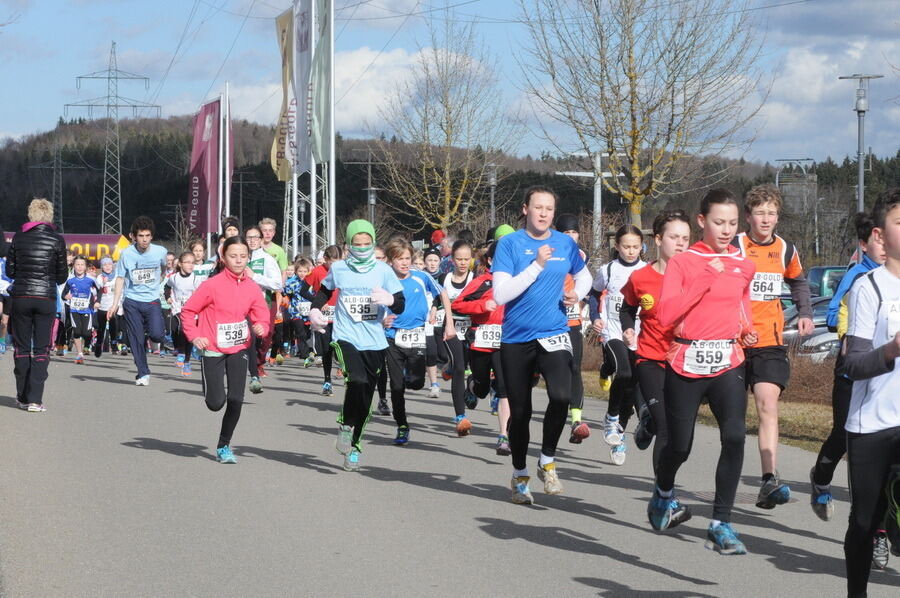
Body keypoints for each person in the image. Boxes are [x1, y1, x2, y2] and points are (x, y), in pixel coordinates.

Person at [646, 188, 757, 556]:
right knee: (680, 445)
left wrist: (746, 329)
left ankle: (720, 524)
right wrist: (703, 280)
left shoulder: (744, 264)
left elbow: (741, 307)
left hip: (727, 360)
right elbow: (665, 315)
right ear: (701, 221)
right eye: (718, 222)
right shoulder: (683, 263)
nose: (726, 230)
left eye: (732, 223)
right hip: (686, 360)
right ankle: (663, 492)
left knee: (736, 436)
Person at [493, 186, 592, 504]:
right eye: (538, 207)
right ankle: (520, 474)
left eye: (549, 208)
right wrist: (536, 265)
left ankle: (547, 460)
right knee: (520, 413)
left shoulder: (564, 242)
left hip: (554, 332)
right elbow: (501, 294)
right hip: (516, 337)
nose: (544, 213)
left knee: (562, 396)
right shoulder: (509, 244)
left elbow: (585, 276)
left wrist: (577, 292)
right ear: (525, 209)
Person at [731, 184, 814, 509]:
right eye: (760, 213)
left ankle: (768, 479)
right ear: (748, 216)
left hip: (769, 342)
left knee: (767, 403)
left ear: (777, 217)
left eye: (772, 213)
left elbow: (798, 281)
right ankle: (727, 478)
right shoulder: (734, 245)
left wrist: (805, 312)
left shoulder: (785, 250)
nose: (766, 219)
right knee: (733, 420)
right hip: (733, 342)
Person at [840, 189, 900, 597]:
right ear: (881, 233)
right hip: (873, 422)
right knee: (865, 522)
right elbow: (853, 364)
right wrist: (892, 350)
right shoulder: (869, 288)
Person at [308, 219, 404, 471]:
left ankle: (355, 444)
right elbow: (323, 292)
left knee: (366, 396)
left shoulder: (383, 271)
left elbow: (401, 303)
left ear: (374, 243)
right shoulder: (339, 269)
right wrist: (315, 310)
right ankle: (346, 422)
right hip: (345, 336)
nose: (362, 248)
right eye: (357, 244)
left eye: (367, 243)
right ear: (348, 245)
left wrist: (390, 299)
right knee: (357, 380)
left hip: (375, 340)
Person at [811, 211, 887, 526]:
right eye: (876, 241)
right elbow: (832, 314)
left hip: (886, 376)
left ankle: (879, 528)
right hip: (851, 373)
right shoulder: (857, 276)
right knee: (844, 436)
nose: (884, 247)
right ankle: (821, 477)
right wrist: (849, 333)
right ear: (863, 244)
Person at [181, 235, 269, 464]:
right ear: (223, 257)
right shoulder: (211, 285)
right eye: (233, 256)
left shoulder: (252, 287)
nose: (239, 261)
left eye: (243, 256)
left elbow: (261, 312)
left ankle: (224, 445)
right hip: (212, 348)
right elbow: (188, 312)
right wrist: (195, 336)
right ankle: (210, 390)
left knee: (237, 399)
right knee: (215, 403)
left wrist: (262, 326)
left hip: (239, 347)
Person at [620, 210, 691, 473]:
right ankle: (664, 495)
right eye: (674, 237)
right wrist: (628, 330)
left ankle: (646, 421)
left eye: (685, 237)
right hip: (651, 359)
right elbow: (626, 309)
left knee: (683, 438)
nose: (681, 243)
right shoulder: (641, 277)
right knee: (667, 428)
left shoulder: (697, 276)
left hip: (684, 361)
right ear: (659, 240)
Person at [382, 238, 449, 443]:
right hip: (392, 336)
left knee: (417, 383)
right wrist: (382, 320)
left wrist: (442, 314)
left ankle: (409, 375)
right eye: (399, 259)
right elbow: (374, 306)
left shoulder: (421, 277)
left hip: (417, 335)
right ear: (390, 260)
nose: (404, 262)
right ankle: (402, 426)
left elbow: (442, 293)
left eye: (407, 258)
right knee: (396, 387)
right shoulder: (384, 281)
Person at [591, 224, 646, 465]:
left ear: (642, 247)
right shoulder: (609, 270)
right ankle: (611, 417)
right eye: (626, 246)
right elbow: (593, 294)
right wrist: (595, 317)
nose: (631, 251)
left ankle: (619, 434)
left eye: (635, 247)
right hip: (613, 331)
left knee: (631, 386)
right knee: (622, 372)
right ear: (617, 246)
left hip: (640, 335)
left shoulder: (648, 271)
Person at [6, 198, 68, 412]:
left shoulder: (18, 237)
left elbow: (9, 271)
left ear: (30, 215)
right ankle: (35, 400)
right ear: (49, 216)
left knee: (21, 349)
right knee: (42, 349)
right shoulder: (57, 240)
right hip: (45, 298)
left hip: (21, 297)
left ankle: (22, 396)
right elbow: (62, 276)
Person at [452, 241, 511, 454]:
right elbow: (457, 304)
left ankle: (503, 435)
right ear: (490, 260)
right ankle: (472, 386)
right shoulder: (481, 282)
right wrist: (481, 306)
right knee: (482, 389)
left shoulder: (516, 283)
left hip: (506, 342)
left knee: (505, 389)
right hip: (481, 341)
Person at [107, 216, 168, 386]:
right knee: (136, 338)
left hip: (152, 300)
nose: (144, 240)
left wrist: (159, 278)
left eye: (148, 236)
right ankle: (143, 372)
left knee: (156, 334)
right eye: (141, 236)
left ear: (152, 236)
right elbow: (120, 278)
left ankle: (155, 337)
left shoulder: (160, 252)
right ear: (134, 236)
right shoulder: (126, 254)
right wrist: (115, 304)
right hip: (132, 301)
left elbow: (164, 267)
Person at [554, 213, 589, 444]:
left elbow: (589, 285)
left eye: (574, 232)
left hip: (573, 321)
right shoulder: (551, 254)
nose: (571, 236)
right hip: (550, 324)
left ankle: (576, 420)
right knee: (558, 374)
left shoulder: (581, 257)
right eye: (566, 232)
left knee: (575, 368)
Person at [436, 242, 470, 432]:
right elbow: (436, 298)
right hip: (450, 328)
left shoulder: (476, 279)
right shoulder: (445, 278)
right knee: (459, 368)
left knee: (471, 368)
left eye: (466, 259)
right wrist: (434, 310)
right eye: (459, 259)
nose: (463, 263)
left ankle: (470, 385)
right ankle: (460, 416)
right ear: (452, 259)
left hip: (473, 330)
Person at [244, 225, 283, 392]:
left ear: (261, 240)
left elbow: (277, 284)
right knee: (250, 337)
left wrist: (255, 277)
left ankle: (259, 362)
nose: (252, 241)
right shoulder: (241, 257)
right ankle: (253, 370)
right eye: (249, 237)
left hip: (263, 302)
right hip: (243, 304)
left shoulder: (267, 259)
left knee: (264, 337)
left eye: (255, 238)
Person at [306, 245, 342, 395]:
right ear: (325, 260)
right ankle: (327, 381)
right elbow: (302, 290)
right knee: (327, 349)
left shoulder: (345, 271)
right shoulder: (317, 271)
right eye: (332, 263)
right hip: (324, 316)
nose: (335, 266)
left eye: (338, 262)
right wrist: (318, 303)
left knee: (341, 348)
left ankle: (343, 371)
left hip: (341, 315)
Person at [165, 251, 202, 375]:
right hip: (177, 308)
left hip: (190, 311)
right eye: (187, 262)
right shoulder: (174, 277)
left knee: (185, 332)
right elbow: (167, 287)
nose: (190, 265)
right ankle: (179, 350)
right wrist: (167, 297)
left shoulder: (196, 278)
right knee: (175, 330)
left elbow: (202, 293)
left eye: (192, 263)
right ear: (180, 264)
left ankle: (185, 360)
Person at [62, 255, 100, 364]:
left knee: (87, 334)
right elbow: (63, 294)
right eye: (77, 264)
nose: (79, 267)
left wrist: (97, 301)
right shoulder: (70, 281)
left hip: (87, 310)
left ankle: (88, 344)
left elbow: (100, 290)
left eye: (82, 265)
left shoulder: (90, 280)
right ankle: (79, 354)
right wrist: (66, 297)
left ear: (86, 267)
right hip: (74, 310)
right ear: (73, 266)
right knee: (77, 331)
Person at [283, 257, 316, 364]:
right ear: (296, 271)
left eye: (305, 271)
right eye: (300, 271)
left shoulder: (312, 282)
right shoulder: (292, 283)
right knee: (300, 332)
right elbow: (286, 293)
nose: (302, 274)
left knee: (307, 333)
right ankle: (304, 353)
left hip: (309, 311)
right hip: (296, 311)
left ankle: (309, 350)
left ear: (309, 271)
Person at [93, 256, 120, 357]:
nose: (107, 267)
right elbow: (98, 288)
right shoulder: (100, 277)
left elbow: (120, 290)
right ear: (102, 267)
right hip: (102, 306)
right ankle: (99, 345)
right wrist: (103, 282)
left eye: (109, 264)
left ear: (112, 265)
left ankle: (113, 344)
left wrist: (118, 304)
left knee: (114, 325)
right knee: (101, 327)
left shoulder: (117, 276)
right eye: (105, 265)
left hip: (113, 305)